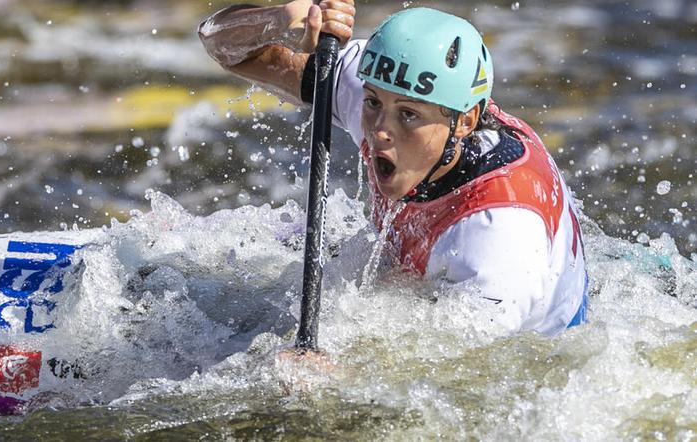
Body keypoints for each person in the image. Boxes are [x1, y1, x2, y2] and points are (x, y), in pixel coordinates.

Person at [198, 1, 589, 336]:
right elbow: (220, 44)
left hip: (533, 349)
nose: (381, 131)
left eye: (408, 116)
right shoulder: (385, 84)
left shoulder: (497, 242)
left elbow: (440, 378)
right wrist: (284, 18)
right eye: (373, 104)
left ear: (465, 122)